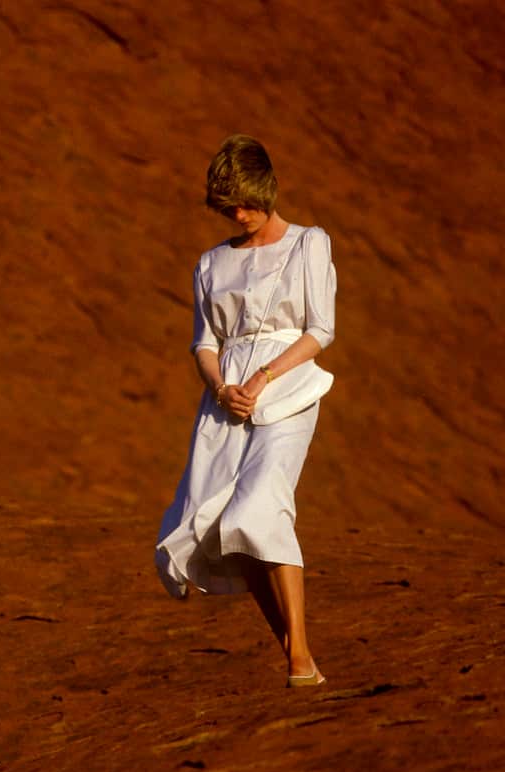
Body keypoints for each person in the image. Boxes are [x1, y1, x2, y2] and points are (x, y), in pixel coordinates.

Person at [156, 135, 337, 687]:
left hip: (288, 392)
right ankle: (292, 647)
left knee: (260, 508)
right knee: (224, 524)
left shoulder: (309, 244)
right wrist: (218, 384)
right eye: (229, 206)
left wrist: (263, 376)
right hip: (223, 405)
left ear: (267, 190)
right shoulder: (211, 263)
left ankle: (299, 654)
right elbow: (203, 342)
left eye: (247, 203)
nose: (239, 215)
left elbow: (320, 330)